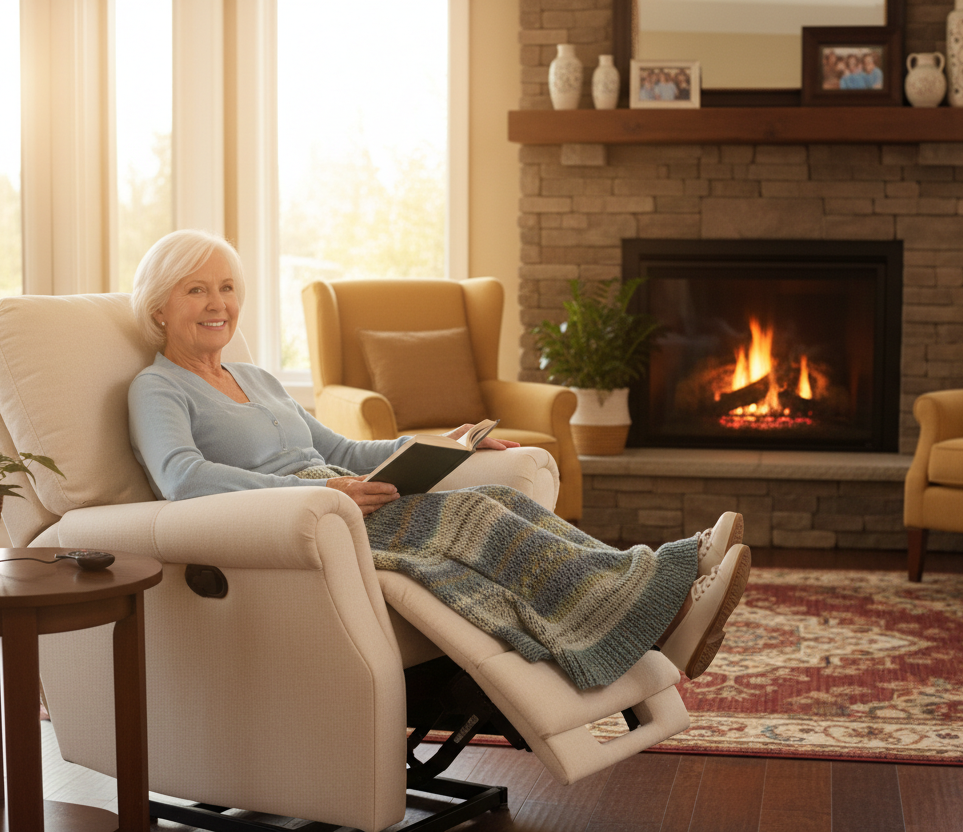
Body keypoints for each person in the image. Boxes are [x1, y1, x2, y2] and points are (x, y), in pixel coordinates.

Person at [126, 230, 751, 691]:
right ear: (159, 308)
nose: (218, 303)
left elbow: (342, 451)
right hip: (309, 519)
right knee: (478, 515)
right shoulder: (157, 387)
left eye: (227, 288)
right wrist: (320, 496)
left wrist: (445, 446)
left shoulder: (257, 378)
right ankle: (666, 593)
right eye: (196, 290)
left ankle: (659, 597)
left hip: (343, 496)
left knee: (498, 498)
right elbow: (182, 478)